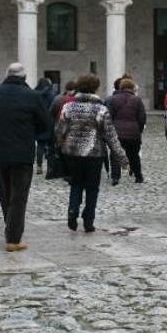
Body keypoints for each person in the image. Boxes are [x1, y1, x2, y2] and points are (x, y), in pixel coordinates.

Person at [0, 62, 51, 252]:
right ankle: (13, 238)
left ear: (7, 75)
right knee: (19, 196)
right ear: (24, 77)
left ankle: (10, 231)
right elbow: (45, 124)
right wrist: (31, 132)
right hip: (22, 152)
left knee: (5, 194)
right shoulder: (32, 96)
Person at [58, 73, 128, 232]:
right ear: (95, 87)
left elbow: (60, 131)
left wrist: (63, 145)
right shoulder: (101, 109)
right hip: (94, 153)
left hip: (72, 152)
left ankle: (72, 211)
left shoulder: (68, 107)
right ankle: (88, 220)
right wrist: (122, 158)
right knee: (92, 187)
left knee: (75, 184)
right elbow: (111, 136)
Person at [106, 76, 146, 185]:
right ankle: (138, 176)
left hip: (117, 131)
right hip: (133, 132)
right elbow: (142, 117)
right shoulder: (137, 100)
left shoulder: (113, 99)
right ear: (132, 88)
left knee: (115, 154)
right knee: (134, 154)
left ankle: (115, 177)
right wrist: (139, 129)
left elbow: (109, 116)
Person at [33, 77, 57, 174]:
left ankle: (39, 165)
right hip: (49, 122)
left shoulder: (34, 94)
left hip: (38, 122)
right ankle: (50, 168)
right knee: (51, 146)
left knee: (40, 145)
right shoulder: (52, 95)